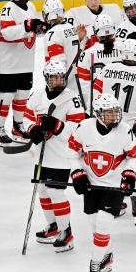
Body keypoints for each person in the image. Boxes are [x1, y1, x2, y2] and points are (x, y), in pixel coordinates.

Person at [67, 93, 136, 272]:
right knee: (94, 224)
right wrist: (77, 173)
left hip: (114, 186)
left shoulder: (124, 130)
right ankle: (106, 257)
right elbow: (72, 152)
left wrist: (129, 174)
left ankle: (96, 260)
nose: (114, 116)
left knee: (103, 223)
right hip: (92, 184)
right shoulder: (84, 127)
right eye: (109, 113)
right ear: (98, 114)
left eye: (115, 111)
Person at [22, 60, 86, 250]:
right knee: (42, 189)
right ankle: (54, 225)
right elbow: (27, 116)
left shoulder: (72, 98)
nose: (58, 81)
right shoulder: (37, 96)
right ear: (46, 78)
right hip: (41, 154)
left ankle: (66, 232)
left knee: (56, 192)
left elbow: (80, 128)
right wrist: (31, 128)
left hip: (62, 155)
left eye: (60, 77)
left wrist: (59, 127)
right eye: (54, 77)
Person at [92, 39, 136, 222]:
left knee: (111, 163)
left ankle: (114, 202)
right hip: (132, 127)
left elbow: (96, 95)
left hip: (107, 122)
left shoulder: (107, 68)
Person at [0, 0, 47, 146]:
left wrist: (41, 29)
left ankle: (18, 125)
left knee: (22, 95)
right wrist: (28, 26)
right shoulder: (8, 8)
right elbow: (7, 33)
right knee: (6, 95)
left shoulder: (31, 7)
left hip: (25, 60)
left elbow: (30, 32)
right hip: (8, 62)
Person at [76, 14, 123, 112]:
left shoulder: (87, 53)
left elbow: (84, 86)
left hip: (99, 103)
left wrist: (89, 107)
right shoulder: (125, 48)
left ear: (95, 32)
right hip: (122, 100)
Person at [41, 0, 87, 92]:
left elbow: (58, 61)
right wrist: (80, 39)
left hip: (60, 82)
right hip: (76, 80)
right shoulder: (71, 28)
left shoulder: (52, 34)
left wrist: (57, 83)